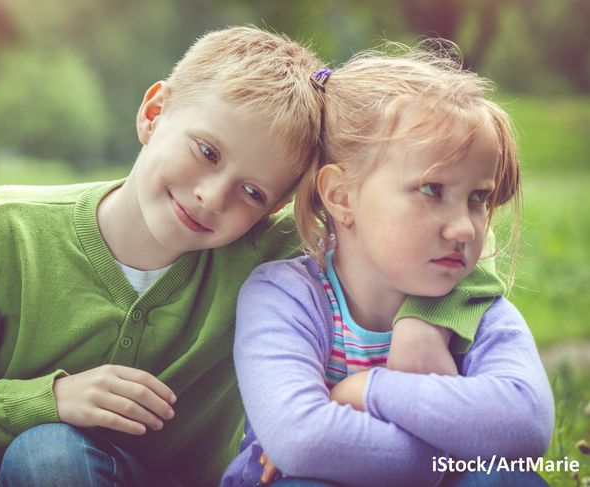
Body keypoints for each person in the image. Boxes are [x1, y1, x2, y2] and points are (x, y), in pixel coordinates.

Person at [0, 28, 503, 487]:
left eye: (253, 192)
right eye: (206, 151)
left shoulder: (265, 258)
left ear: (277, 209)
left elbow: (433, 246)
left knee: (52, 455)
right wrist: (50, 399)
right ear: (154, 111)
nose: (211, 195)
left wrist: (422, 318)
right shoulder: (1, 231)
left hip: (131, 476)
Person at [221, 41, 554, 487]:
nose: (466, 229)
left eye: (478, 198)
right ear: (341, 196)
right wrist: (458, 449)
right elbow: (304, 441)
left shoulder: (475, 308)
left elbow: (527, 424)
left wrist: (366, 392)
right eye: (433, 189)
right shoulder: (285, 296)